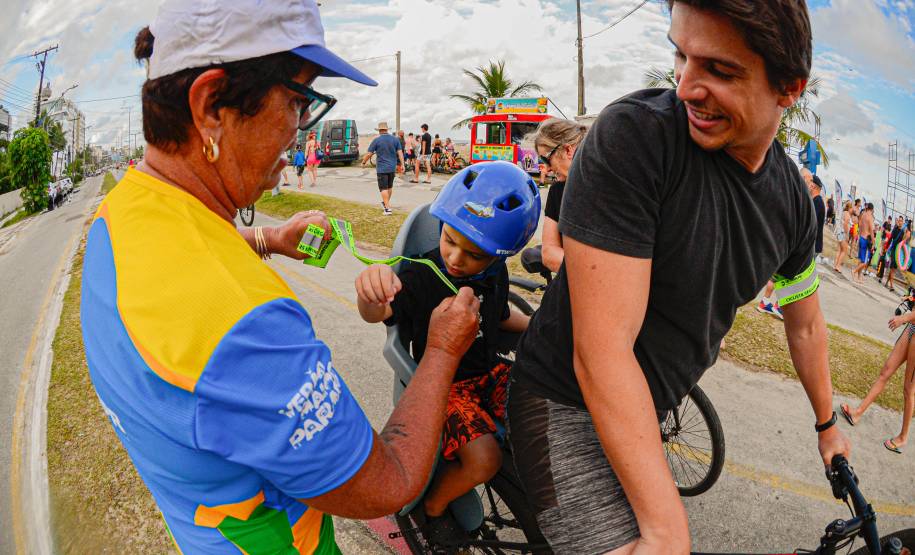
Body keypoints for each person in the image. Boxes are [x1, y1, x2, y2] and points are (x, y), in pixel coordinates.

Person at [80, 3, 482, 553]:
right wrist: (441, 349)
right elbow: (387, 483)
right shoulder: (246, 328)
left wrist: (267, 238)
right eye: (298, 101)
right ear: (211, 105)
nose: (299, 131)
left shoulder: (119, 216)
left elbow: (189, 261)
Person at [507, 2, 851, 553]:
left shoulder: (793, 204)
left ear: (789, 87)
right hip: (562, 403)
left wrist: (826, 425)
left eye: (720, 69)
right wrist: (668, 532)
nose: (686, 86)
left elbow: (805, 324)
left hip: (649, 408)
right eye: (680, 55)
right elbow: (602, 353)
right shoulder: (636, 138)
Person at [354, 161, 539, 539]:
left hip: (488, 373)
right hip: (445, 386)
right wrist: (370, 290)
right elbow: (380, 314)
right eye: (450, 240)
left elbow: (501, 318)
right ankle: (434, 508)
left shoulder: (494, 274)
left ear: (500, 256)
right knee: (484, 459)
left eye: (474, 254)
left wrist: (543, 329)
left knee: (547, 410)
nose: (456, 259)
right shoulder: (422, 274)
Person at [840, 310, 915, 455]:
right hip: (912, 326)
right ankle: (857, 413)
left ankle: (903, 437)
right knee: (886, 371)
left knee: (909, 390)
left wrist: (903, 318)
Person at [531, 117, 589, 273]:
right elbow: (549, 253)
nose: (548, 168)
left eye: (546, 159)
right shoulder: (558, 191)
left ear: (568, 150)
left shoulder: (614, 188)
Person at [361, 121, 404, 216]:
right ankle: (386, 204)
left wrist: (363, 162)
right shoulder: (395, 139)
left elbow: (369, 154)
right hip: (392, 168)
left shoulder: (376, 140)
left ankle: (388, 209)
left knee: (383, 188)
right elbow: (400, 153)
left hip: (382, 168)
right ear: (387, 129)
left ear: (379, 130)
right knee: (389, 187)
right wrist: (403, 164)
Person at [884, 215, 911, 293]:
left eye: (901, 221)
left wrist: (908, 227)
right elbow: (890, 240)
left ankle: (887, 282)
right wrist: (886, 248)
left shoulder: (903, 231)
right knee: (893, 268)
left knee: (894, 268)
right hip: (893, 250)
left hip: (899, 251)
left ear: (902, 222)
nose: (900, 222)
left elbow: (907, 238)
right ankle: (891, 285)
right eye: (899, 221)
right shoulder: (895, 229)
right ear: (897, 222)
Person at [852, 203, 874, 284]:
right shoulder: (870, 217)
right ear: (872, 210)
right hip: (866, 240)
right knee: (865, 262)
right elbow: (871, 230)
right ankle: (854, 271)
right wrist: (874, 242)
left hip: (861, 237)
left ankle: (858, 277)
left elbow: (860, 225)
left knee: (861, 259)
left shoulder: (863, 214)